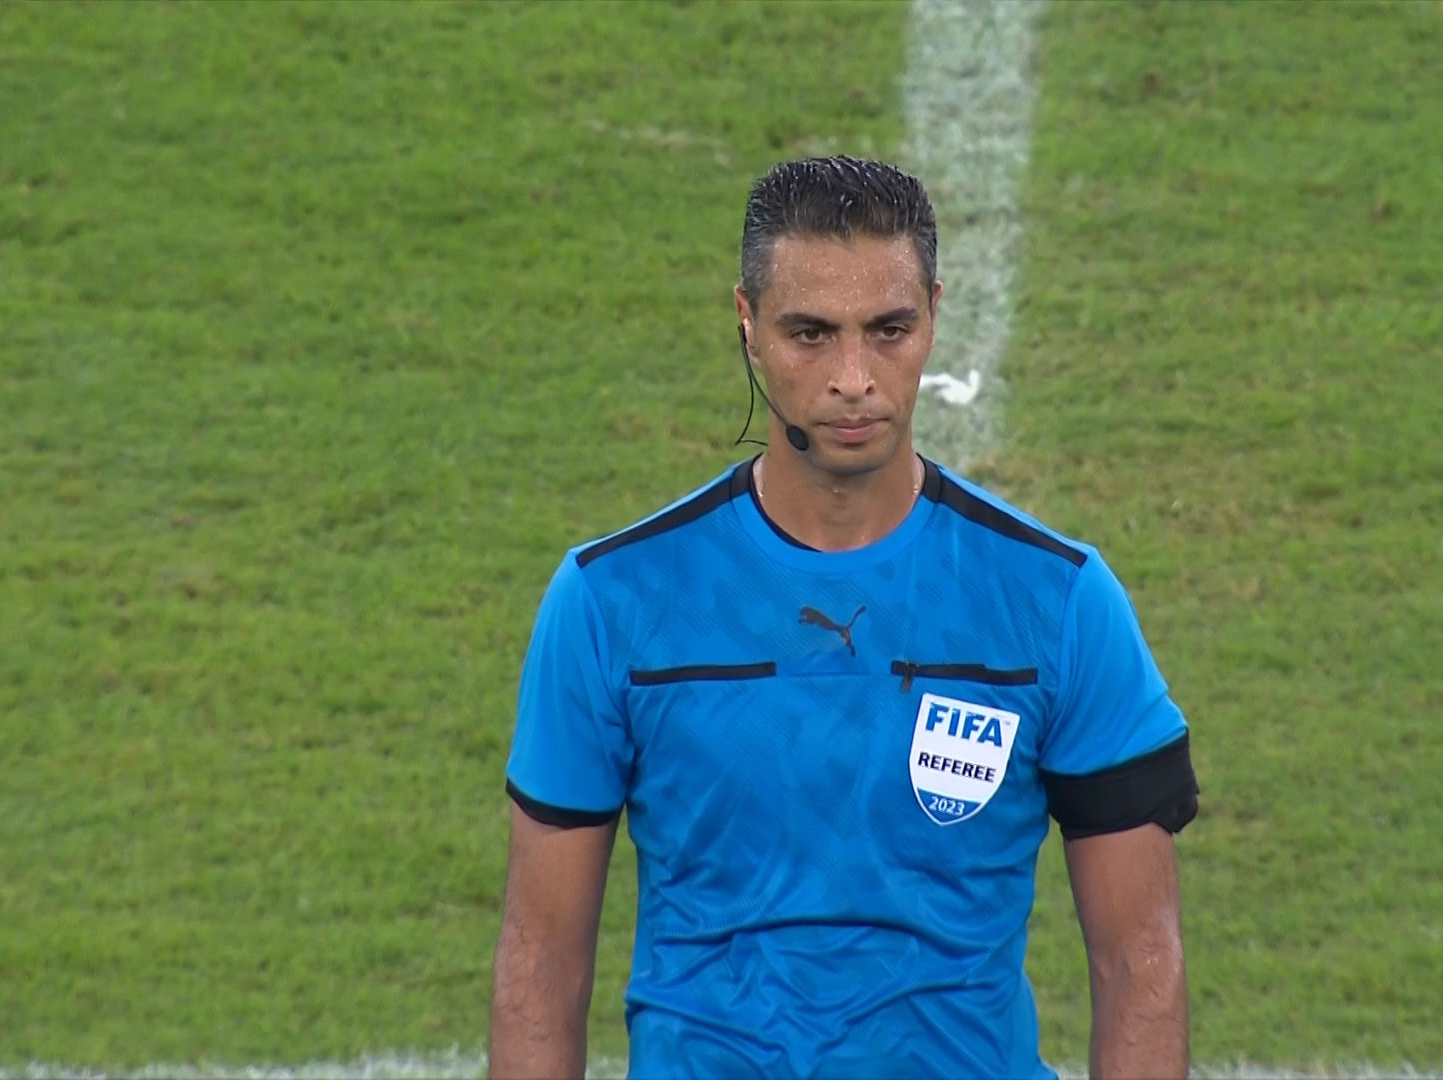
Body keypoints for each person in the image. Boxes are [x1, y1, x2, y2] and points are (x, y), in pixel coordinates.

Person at [490, 156, 1199, 1080]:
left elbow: (1141, 962)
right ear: (747, 325)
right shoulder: (611, 602)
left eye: (889, 330)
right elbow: (540, 965)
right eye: (811, 334)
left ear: (934, 316)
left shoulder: (1060, 603)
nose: (854, 378)